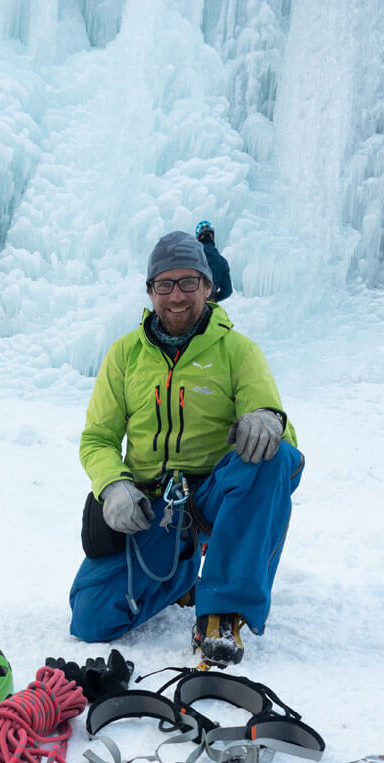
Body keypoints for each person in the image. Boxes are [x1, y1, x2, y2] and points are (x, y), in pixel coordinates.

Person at [68, 230, 304, 666]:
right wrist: (114, 486)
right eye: (165, 285)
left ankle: (221, 611)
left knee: (275, 457)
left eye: (188, 283)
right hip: (153, 507)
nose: (176, 296)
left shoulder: (239, 352)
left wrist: (267, 421)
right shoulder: (124, 356)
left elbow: (282, 439)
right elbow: (97, 439)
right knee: (91, 619)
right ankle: (180, 575)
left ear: (209, 288)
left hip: (216, 499)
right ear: (150, 291)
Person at [195, 220, 232, 301]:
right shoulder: (222, 261)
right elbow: (228, 291)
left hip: (191, 301)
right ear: (213, 238)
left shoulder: (192, 254)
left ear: (198, 238)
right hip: (209, 303)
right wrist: (215, 298)